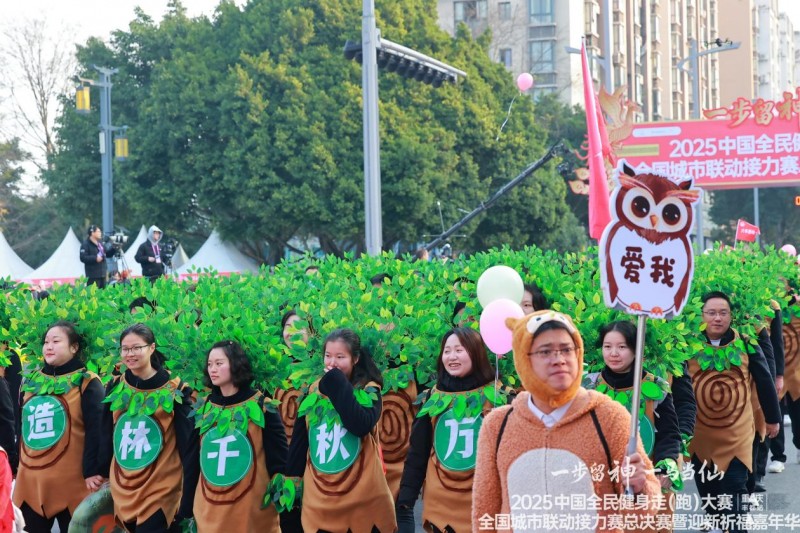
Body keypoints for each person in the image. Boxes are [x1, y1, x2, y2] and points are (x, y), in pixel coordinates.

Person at [472, 310, 660, 531]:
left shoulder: (609, 417)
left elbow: (643, 511)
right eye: (545, 352)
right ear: (524, 358)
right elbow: (485, 511)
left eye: (566, 349)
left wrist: (639, 489)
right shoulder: (498, 425)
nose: (559, 360)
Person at [396, 327, 509, 533]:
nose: (452, 356)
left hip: (484, 505)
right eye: (447, 351)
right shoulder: (434, 398)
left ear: (476, 353)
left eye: (459, 350)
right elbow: (418, 453)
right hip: (442, 507)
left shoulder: (499, 396)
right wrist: (405, 502)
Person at [286, 328, 396, 532]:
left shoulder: (370, 389)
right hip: (321, 502)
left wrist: (336, 382)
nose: (332, 362)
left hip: (362, 502)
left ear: (355, 359)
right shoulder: (313, 391)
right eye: (328, 356)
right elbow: (299, 446)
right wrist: (290, 499)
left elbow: (360, 424)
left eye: (340, 357)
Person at [688, 291, 781, 533]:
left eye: (723, 313)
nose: (717, 318)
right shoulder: (687, 346)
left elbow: (764, 379)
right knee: (711, 497)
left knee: (735, 495)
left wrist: (773, 418)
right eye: (711, 313)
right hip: (701, 435)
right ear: (701, 316)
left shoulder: (746, 342)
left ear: (731, 316)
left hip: (736, 433)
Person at [584, 321, 682, 532]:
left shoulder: (656, 387)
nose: (613, 353)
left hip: (644, 474)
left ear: (636, 350)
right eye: (607, 346)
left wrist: (665, 466)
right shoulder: (588, 385)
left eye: (622, 347)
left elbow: (669, 434)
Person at [102, 323, 199, 532]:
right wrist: (96, 472)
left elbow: (188, 445)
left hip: (161, 485)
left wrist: (189, 497)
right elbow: (105, 432)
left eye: (137, 348)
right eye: (125, 349)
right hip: (124, 484)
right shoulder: (116, 385)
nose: (130, 354)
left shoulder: (175, 389)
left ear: (152, 348)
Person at [13, 321, 106, 533]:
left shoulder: (86, 382)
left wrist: (93, 471)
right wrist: (16, 463)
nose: (49, 347)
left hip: (74, 484)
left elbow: (97, 431)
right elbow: (21, 426)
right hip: (31, 483)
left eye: (56, 341)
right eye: (46, 342)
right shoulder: (31, 381)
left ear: (74, 347)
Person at [193, 340, 289, 531]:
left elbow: (279, 461)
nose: (213, 369)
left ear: (236, 364)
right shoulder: (204, 408)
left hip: (251, 509)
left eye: (219, 363)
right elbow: (193, 461)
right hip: (210, 508)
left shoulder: (262, 405)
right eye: (210, 364)